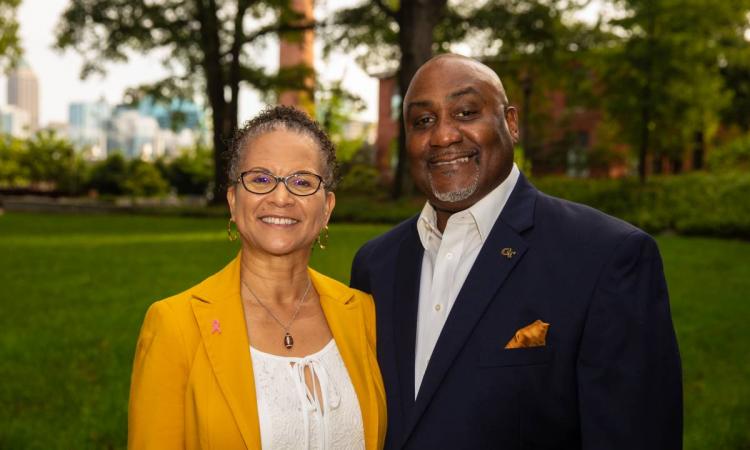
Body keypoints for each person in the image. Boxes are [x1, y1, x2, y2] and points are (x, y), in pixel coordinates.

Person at [350, 54, 682, 450]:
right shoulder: (376, 265)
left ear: (511, 122)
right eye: (423, 121)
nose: (442, 136)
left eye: (466, 111)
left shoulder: (607, 257)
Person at [129, 106, 386, 450]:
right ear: (234, 201)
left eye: (302, 182)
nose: (281, 197)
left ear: (326, 208)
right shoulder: (175, 326)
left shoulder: (363, 315)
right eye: (261, 179)